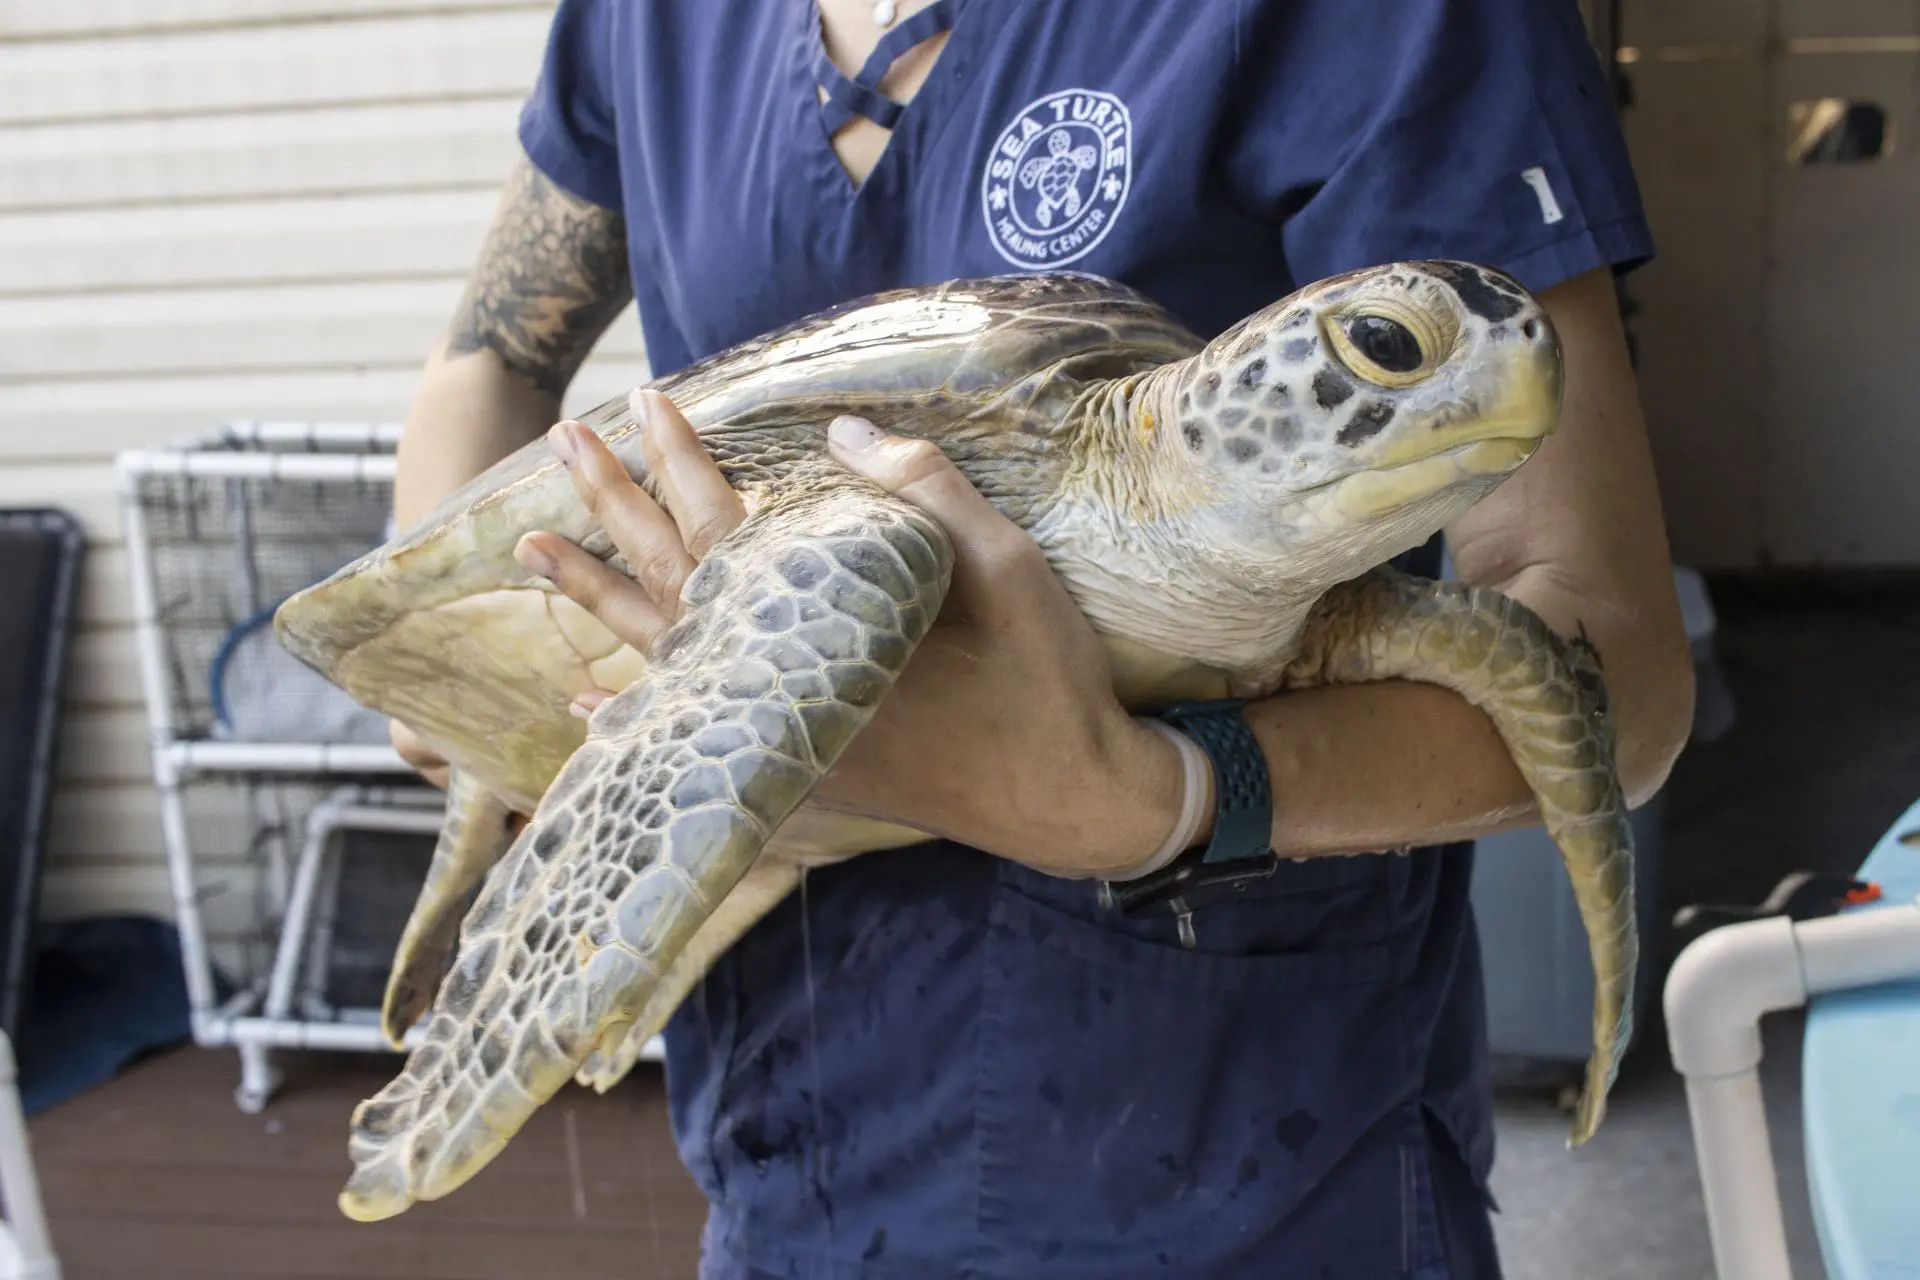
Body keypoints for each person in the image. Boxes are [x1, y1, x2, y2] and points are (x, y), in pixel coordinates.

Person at [387, 0, 1697, 1274]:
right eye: (1390, 352)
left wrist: (1166, 798)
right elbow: (488, 361)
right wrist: (448, 666)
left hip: (1254, 1158)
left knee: (853, 586)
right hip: (790, 1116)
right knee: (846, 588)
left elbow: (1612, 669)